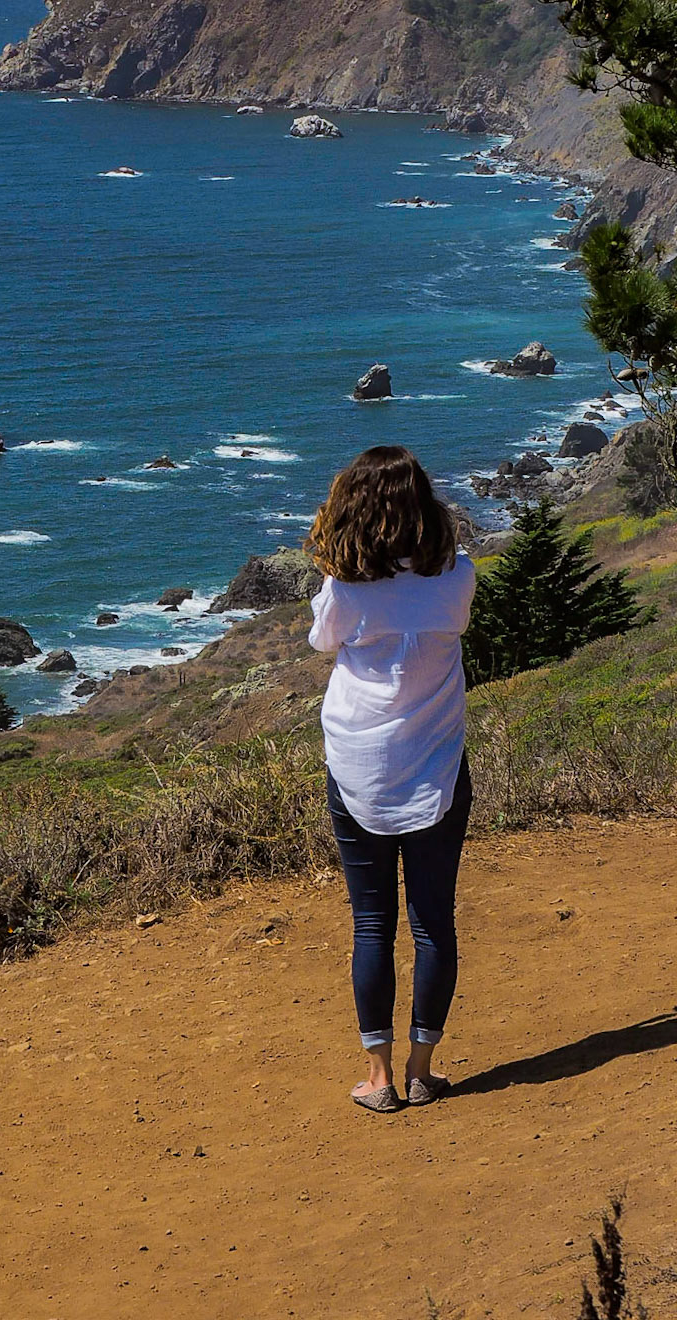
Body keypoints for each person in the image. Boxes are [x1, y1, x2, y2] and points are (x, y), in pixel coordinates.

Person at [305, 445, 476, 1115]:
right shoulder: (457, 576)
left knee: (371, 924)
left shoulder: (346, 590)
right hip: (437, 765)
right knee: (433, 923)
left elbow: (323, 642)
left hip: (359, 770)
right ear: (425, 506)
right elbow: (449, 620)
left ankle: (377, 1079)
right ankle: (422, 1071)